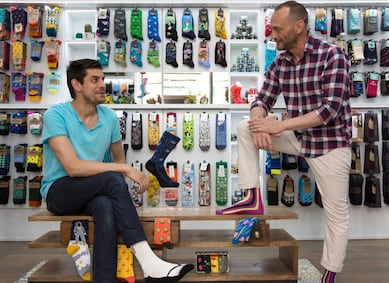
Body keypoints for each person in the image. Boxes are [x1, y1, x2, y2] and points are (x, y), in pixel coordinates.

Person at [216, 1, 352, 283]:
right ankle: (252, 199)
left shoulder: (332, 55)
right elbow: (262, 99)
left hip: (331, 144)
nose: (272, 34)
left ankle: (329, 275)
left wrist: (277, 125)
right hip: (299, 138)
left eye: (277, 29)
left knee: (336, 214)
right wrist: (258, 122)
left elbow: (330, 110)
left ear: (299, 27)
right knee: (244, 127)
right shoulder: (279, 62)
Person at [41, 58, 193, 283]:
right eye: (94, 80)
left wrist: (129, 189)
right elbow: (73, 168)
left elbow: (118, 160)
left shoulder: (110, 117)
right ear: (77, 85)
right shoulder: (56, 115)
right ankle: (149, 262)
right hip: (60, 191)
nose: (102, 84)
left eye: (102, 79)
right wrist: (123, 169)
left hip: (94, 192)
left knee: (105, 207)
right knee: (111, 179)